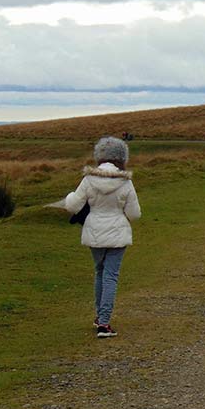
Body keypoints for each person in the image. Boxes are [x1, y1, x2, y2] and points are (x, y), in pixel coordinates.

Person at [65, 137, 141, 338]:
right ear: (121, 159)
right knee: (111, 276)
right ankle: (104, 323)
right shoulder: (125, 182)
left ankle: (100, 316)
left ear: (99, 157)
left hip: (94, 231)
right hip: (117, 232)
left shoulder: (88, 179)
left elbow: (73, 206)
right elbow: (134, 214)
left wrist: (71, 196)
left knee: (100, 272)